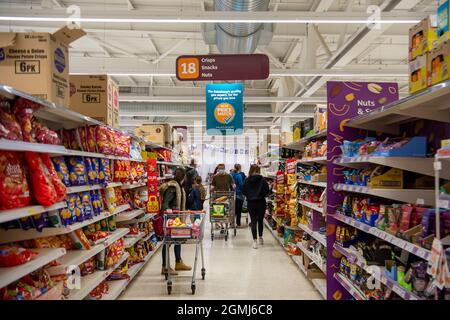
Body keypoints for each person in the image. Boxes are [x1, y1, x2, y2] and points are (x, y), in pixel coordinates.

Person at [159, 167, 192, 275]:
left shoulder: (179, 187)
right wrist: (170, 214)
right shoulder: (173, 187)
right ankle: (165, 266)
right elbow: (165, 204)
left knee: (179, 239)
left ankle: (178, 262)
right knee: (167, 242)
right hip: (171, 220)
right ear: (184, 177)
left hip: (177, 219)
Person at [242, 164, 270, 249]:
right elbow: (267, 190)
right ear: (258, 170)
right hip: (261, 202)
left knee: (253, 221)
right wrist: (261, 195)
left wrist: (249, 196)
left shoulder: (247, 180)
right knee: (260, 220)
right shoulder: (262, 180)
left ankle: (254, 241)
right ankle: (261, 238)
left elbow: (244, 191)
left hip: (251, 203)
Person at [210, 164, 235, 233]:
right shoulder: (215, 177)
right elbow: (212, 184)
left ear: (224, 169)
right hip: (217, 197)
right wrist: (212, 187)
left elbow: (232, 183)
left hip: (226, 196)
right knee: (219, 212)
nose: (220, 170)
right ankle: (222, 226)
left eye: (222, 168)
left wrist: (233, 185)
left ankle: (225, 225)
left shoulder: (228, 176)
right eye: (219, 169)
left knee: (226, 212)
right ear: (218, 169)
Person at [231, 164, 245, 228]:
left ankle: (232, 222)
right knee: (239, 210)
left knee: (233, 209)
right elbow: (241, 185)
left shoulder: (232, 175)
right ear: (239, 168)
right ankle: (238, 223)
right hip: (239, 194)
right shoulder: (239, 176)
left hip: (232, 194)